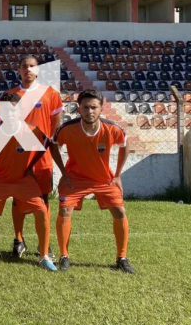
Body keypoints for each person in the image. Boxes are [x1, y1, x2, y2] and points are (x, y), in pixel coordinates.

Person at [51, 89, 134, 273]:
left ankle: (122, 258)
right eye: (86, 107)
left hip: (104, 179)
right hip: (75, 179)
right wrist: (63, 173)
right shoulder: (67, 129)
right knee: (65, 210)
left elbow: (125, 143)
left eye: (94, 107)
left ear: (101, 107)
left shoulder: (112, 128)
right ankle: (64, 256)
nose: (90, 111)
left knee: (120, 211)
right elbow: (53, 145)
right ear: (78, 108)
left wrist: (118, 174)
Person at [0, 93, 56, 271]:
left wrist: (30, 165)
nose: (10, 113)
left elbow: (46, 144)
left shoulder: (30, 131)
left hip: (22, 179)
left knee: (41, 209)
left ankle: (44, 256)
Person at [7, 55, 63, 259]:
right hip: (17, 155)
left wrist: (47, 143)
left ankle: (44, 243)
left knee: (44, 198)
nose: (28, 69)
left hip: (42, 156)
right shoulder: (10, 94)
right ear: (19, 70)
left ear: (37, 70)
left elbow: (55, 126)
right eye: (24, 66)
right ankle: (18, 239)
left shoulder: (50, 94)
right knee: (17, 197)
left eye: (32, 66)